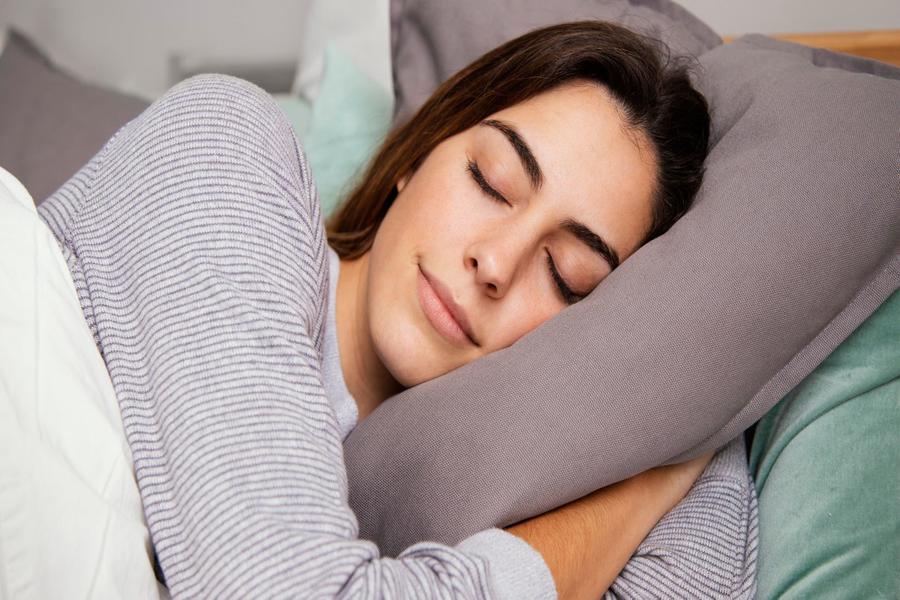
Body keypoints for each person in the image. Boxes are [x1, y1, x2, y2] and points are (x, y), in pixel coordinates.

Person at [37, 20, 757, 599]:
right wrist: (652, 485)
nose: (495, 263)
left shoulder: (483, 479)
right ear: (420, 150)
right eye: (492, 181)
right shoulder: (224, 147)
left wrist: (685, 415)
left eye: (566, 276)